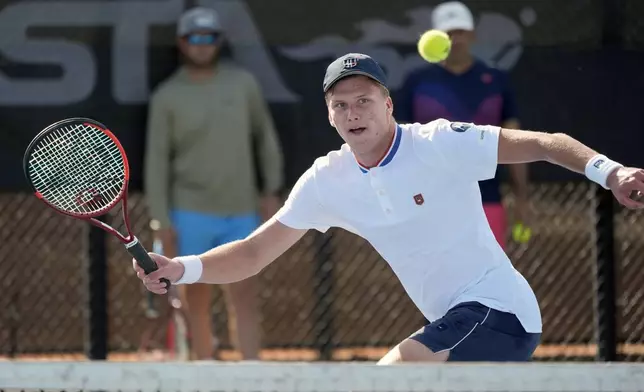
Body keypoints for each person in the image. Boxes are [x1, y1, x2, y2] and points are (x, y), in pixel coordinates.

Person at [138, 53, 644, 363]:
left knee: (391, 379)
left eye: (364, 100)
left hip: (500, 312)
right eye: (341, 105)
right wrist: (180, 269)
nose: (353, 113)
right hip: (457, 326)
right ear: (329, 115)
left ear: (388, 105)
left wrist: (611, 172)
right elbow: (252, 255)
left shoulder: (440, 142)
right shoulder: (325, 181)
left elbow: (545, 142)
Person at [143, 6, 285, 360]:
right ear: (181, 42)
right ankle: (203, 377)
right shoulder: (167, 97)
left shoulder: (242, 84)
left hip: (241, 211)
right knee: (196, 303)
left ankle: (253, 378)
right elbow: (156, 164)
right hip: (189, 213)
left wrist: (271, 190)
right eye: (195, 38)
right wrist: (162, 220)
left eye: (209, 37)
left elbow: (264, 138)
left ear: (219, 41)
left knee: (245, 300)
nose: (202, 45)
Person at [397, 1, 529, 248]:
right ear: (437, 37)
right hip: (429, 201)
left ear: (472, 34)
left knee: (490, 276)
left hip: (487, 198)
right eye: (448, 33)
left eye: (460, 31)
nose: (455, 39)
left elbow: (514, 138)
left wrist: (521, 197)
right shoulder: (416, 83)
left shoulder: (496, 80)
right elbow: (400, 143)